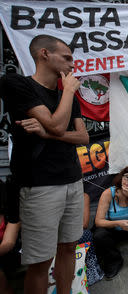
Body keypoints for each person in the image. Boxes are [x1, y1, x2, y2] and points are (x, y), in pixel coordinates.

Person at [0, 35, 89, 294]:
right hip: (39, 186)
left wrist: (46, 132)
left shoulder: (65, 97)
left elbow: (82, 137)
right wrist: (69, 91)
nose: (72, 64)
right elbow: (59, 125)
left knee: (69, 248)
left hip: (73, 180)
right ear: (44, 54)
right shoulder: (16, 83)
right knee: (40, 261)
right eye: (67, 57)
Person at [78, 193, 104, 285]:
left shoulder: (83, 196)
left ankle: (91, 272)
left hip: (74, 231)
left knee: (86, 234)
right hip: (56, 234)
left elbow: (84, 224)